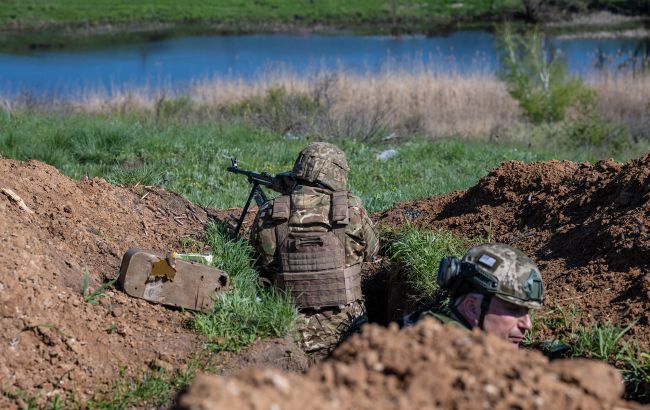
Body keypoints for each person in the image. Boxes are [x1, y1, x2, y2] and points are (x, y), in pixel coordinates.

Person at [250, 142, 379, 359]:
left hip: (289, 332)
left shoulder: (270, 211)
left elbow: (259, 263)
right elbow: (373, 251)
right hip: (348, 330)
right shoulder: (352, 209)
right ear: (337, 172)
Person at [402, 243, 544, 348]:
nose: (527, 324)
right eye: (513, 309)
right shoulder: (449, 353)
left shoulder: (435, 326)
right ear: (472, 308)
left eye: (527, 312)